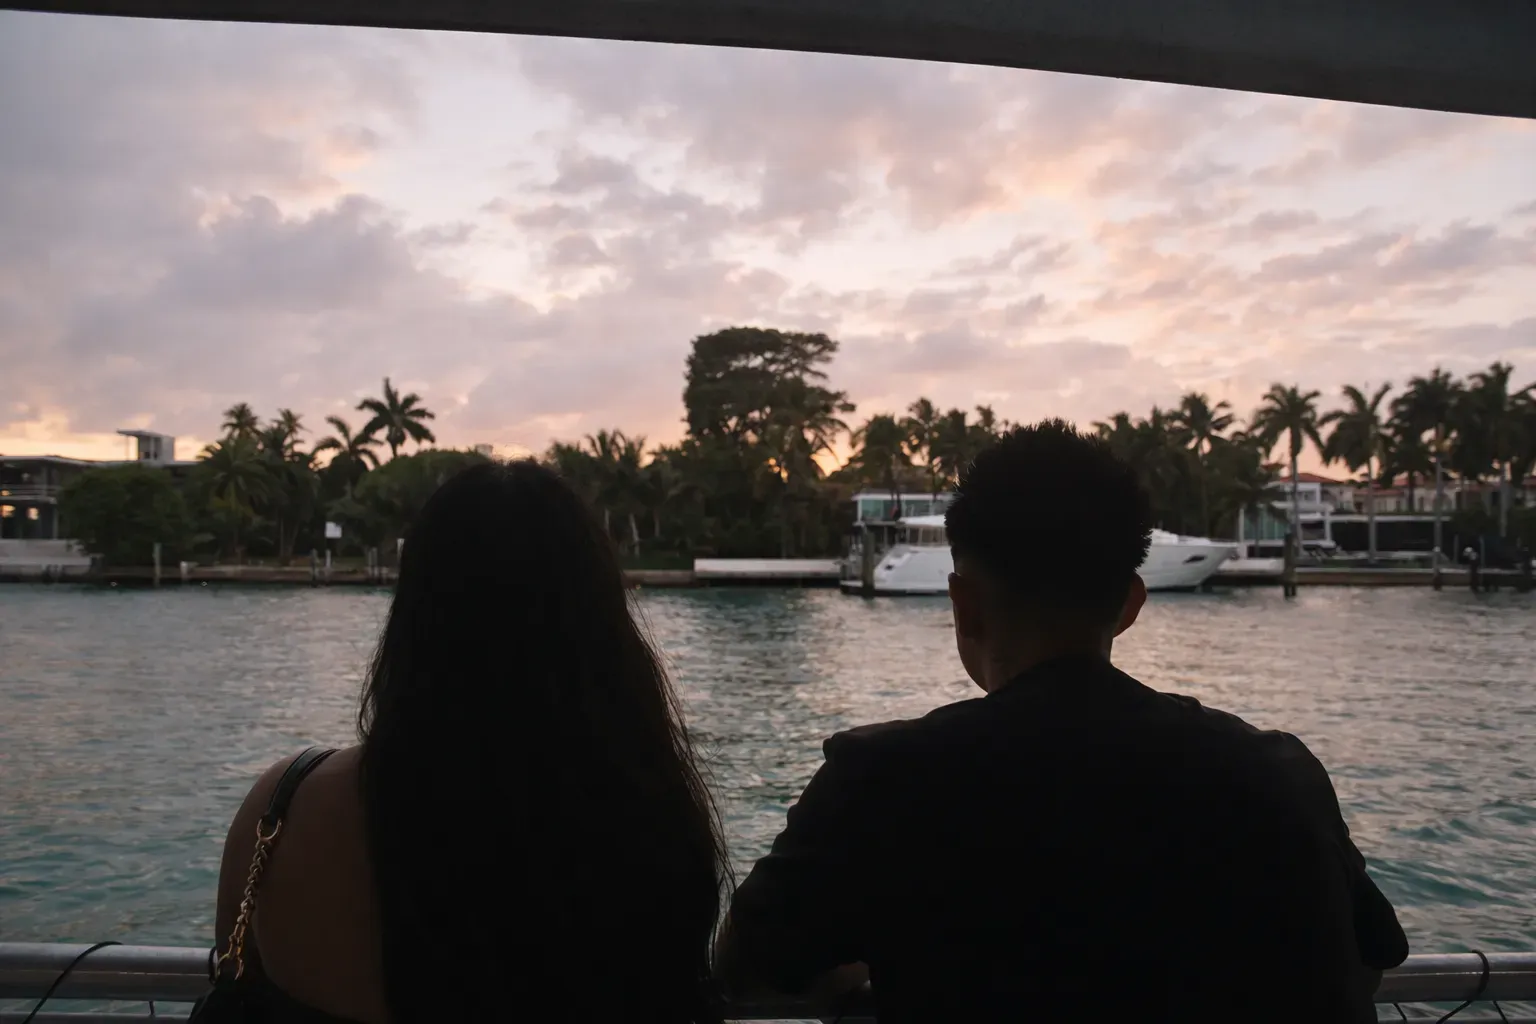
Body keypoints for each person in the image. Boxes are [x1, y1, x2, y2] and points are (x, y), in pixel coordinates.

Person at [717, 420, 1407, 1023]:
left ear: (966, 606)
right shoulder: (1277, 773)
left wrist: (846, 990)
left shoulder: (881, 782)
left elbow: (741, 967)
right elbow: (1372, 957)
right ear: (1131, 605)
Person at [205, 460, 729, 1023]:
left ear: (414, 614)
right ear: (602, 626)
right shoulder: (651, 816)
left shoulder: (281, 812)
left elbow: (236, 979)